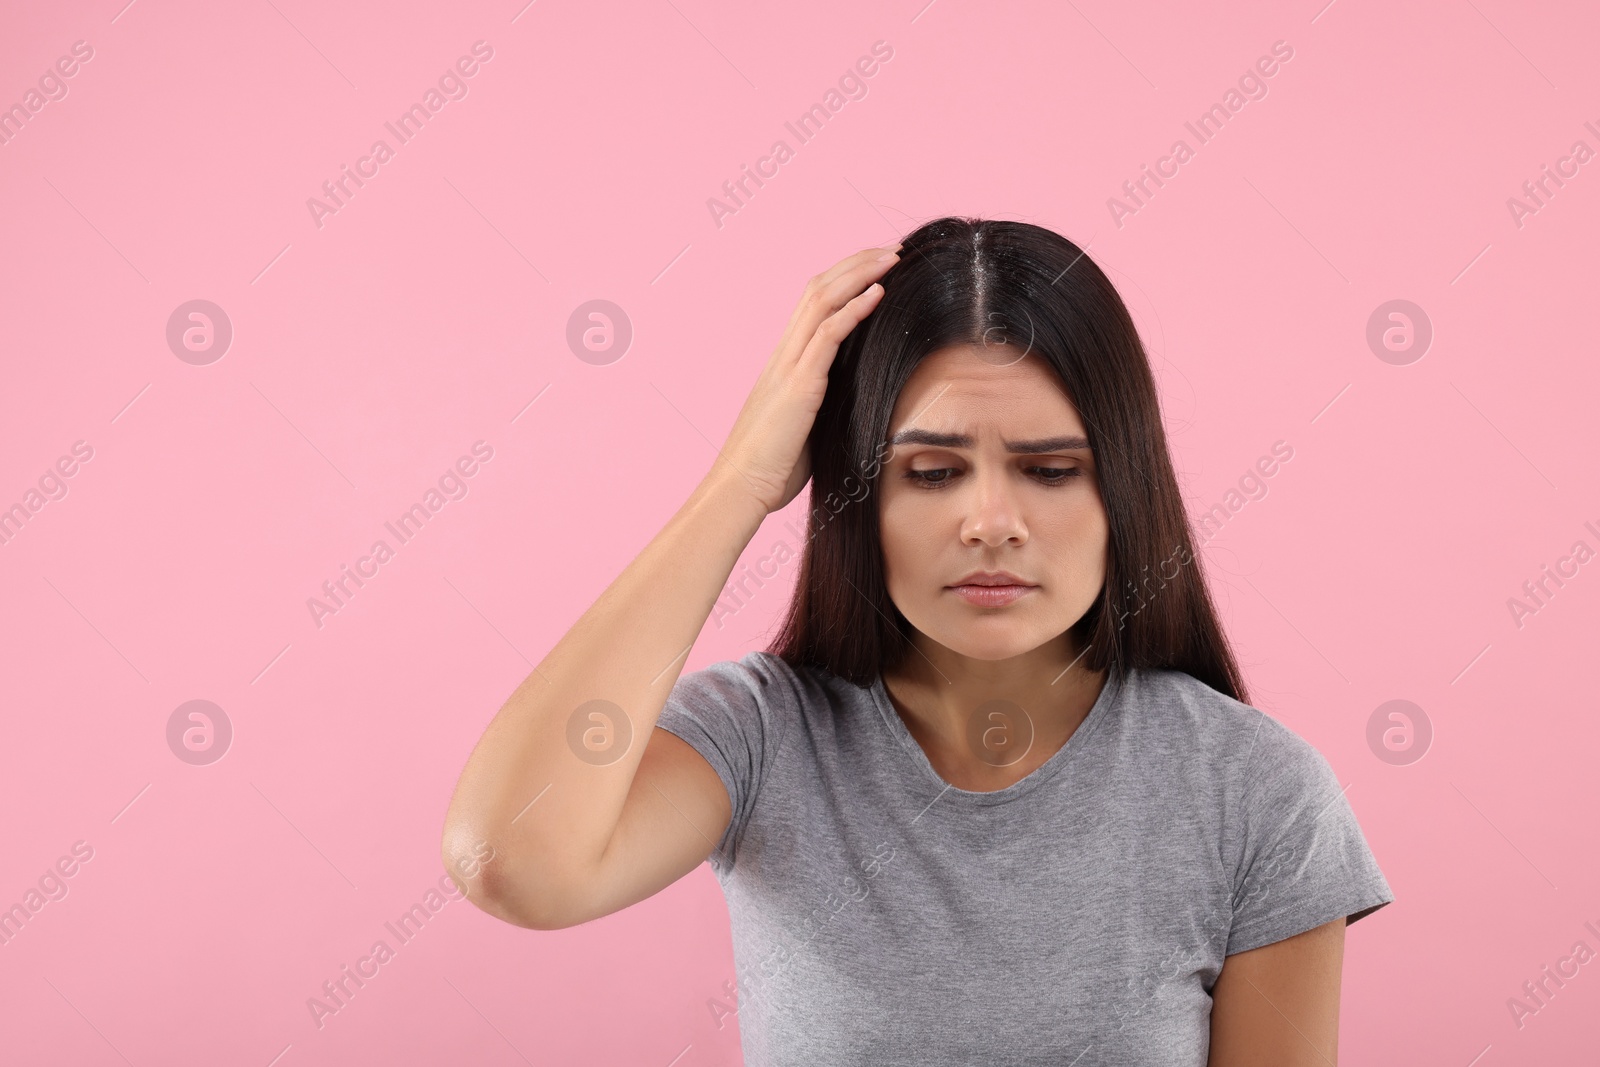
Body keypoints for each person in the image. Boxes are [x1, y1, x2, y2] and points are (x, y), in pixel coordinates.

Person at [440, 216, 1394, 1066]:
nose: (991, 520)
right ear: (858, 496)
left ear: (1122, 495)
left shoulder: (1257, 794)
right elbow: (513, 860)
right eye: (933, 472)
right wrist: (739, 483)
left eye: (1052, 470)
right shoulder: (763, 738)